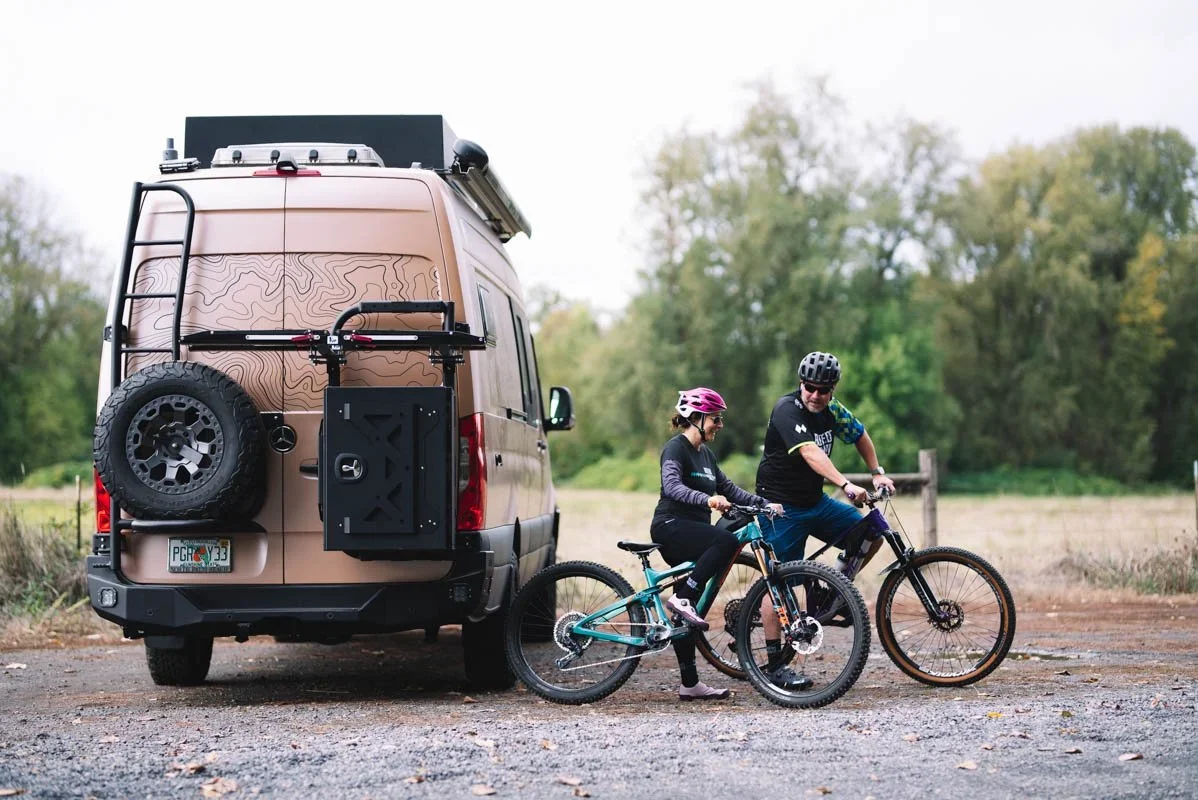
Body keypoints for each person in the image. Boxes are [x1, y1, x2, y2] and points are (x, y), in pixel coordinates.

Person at [649, 387, 806, 700]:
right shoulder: (675, 449)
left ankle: (690, 684)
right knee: (725, 540)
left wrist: (764, 504)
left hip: (694, 531)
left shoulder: (706, 456)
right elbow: (672, 486)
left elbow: (731, 490)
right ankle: (683, 599)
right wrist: (708, 500)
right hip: (670, 527)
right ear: (696, 417)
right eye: (715, 419)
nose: (719, 425)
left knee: (686, 617)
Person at [755, 352, 898, 590]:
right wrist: (845, 484)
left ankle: (835, 593)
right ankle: (766, 612)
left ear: (833, 389)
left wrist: (877, 472)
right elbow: (810, 452)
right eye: (810, 387)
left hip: (815, 502)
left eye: (823, 390)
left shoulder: (832, 409)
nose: (815, 395)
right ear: (801, 383)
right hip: (780, 507)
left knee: (871, 536)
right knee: (782, 584)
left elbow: (859, 434)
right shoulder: (786, 409)